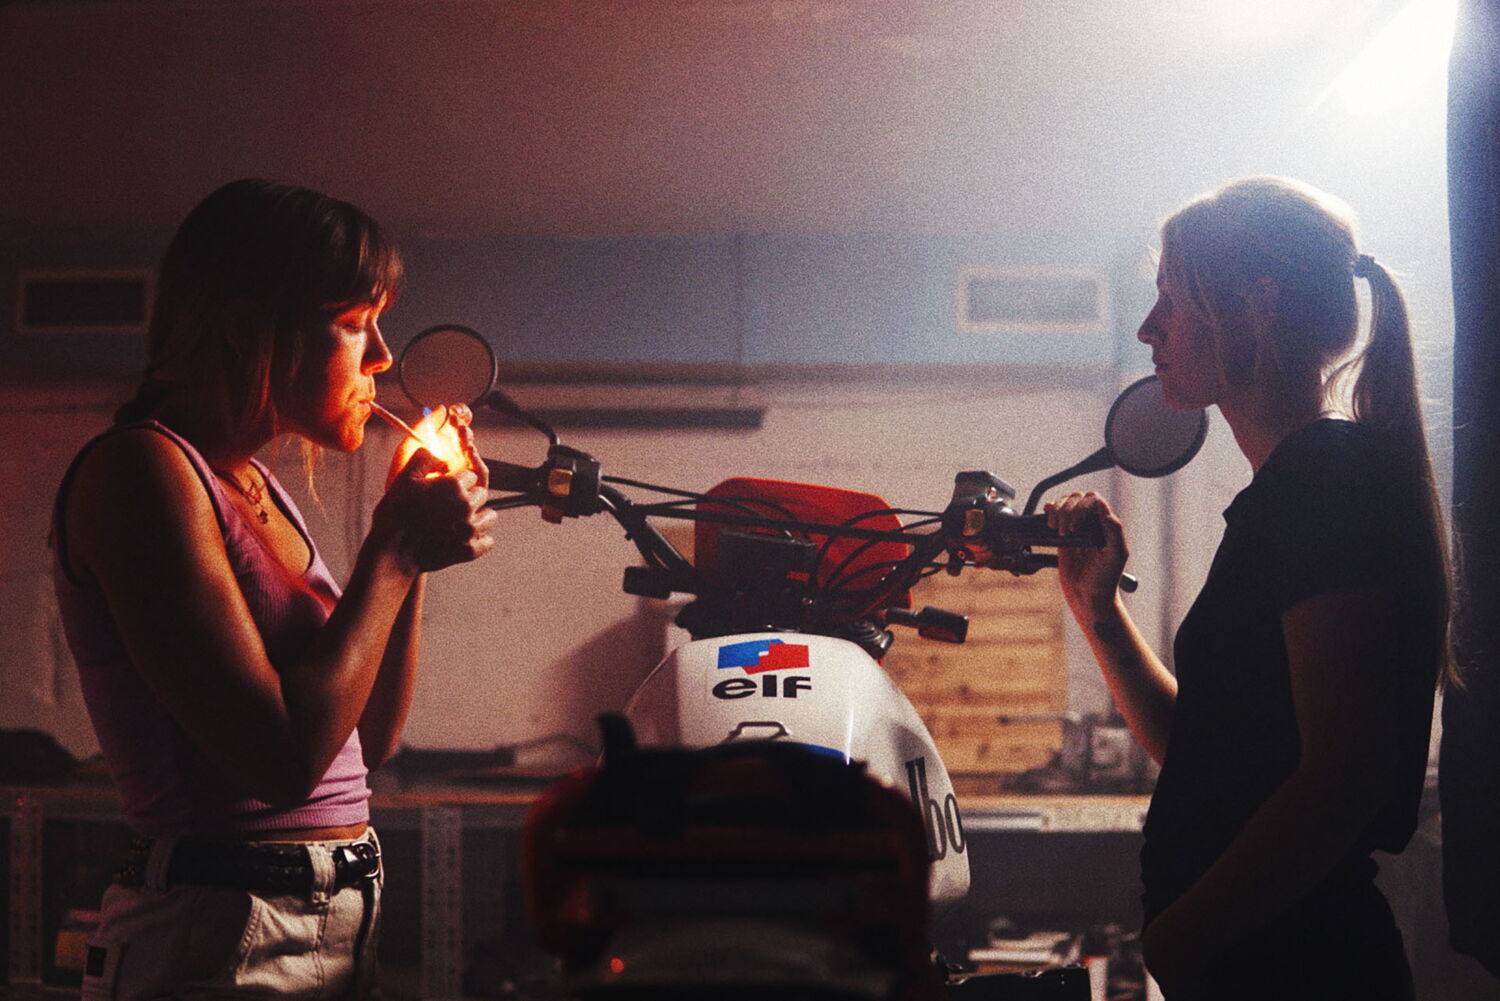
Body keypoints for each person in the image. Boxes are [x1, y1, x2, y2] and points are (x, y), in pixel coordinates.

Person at [50, 178, 497, 1000]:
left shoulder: (256, 484)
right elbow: (281, 761)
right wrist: (394, 549)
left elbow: (368, 736)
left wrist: (412, 553)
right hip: (220, 933)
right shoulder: (143, 472)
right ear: (248, 329)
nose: (384, 357)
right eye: (355, 324)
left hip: (333, 917)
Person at [1043, 176, 1449, 999]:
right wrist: (1100, 613)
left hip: (1298, 968)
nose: (1148, 328)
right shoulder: (1298, 485)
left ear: (1255, 306)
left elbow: (1349, 770)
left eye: (1171, 300)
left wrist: (1185, 939)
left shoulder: (1321, 481)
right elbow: (1208, 755)